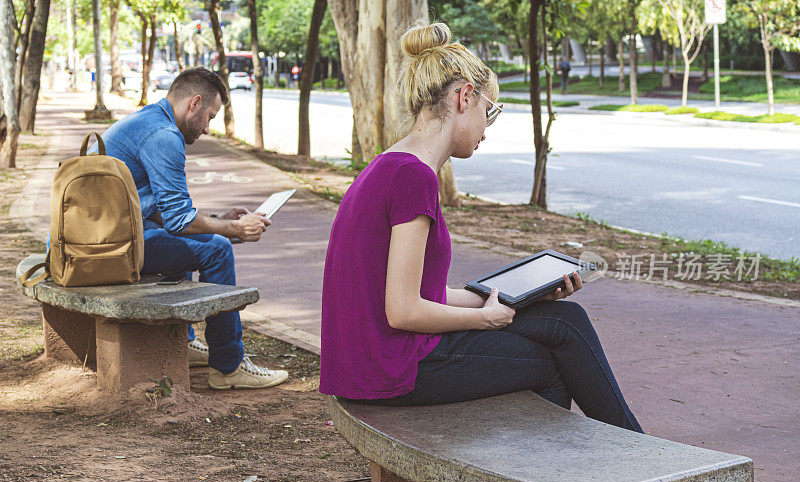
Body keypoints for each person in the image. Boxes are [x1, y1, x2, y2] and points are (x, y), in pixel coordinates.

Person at [320, 21, 642, 433]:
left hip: (374, 357)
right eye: (489, 112)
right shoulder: (413, 177)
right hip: (390, 368)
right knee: (549, 364)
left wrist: (517, 297)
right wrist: (484, 319)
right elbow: (402, 311)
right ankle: (611, 467)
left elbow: (423, 295)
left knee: (565, 318)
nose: (487, 129)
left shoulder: (391, 165)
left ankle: (635, 454)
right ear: (464, 97)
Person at [91, 67, 288, 390]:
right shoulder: (164, 136)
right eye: (210, 116)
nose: (208, 129)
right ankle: (228, 367)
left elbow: (162, 214)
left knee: (202, 242)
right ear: (194, 103)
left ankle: (185, 340)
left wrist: (220, 219)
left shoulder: (149, 120)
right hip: (108, 250)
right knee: (217, 249)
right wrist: (234, 230)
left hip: (100, 241)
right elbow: (179, 221)